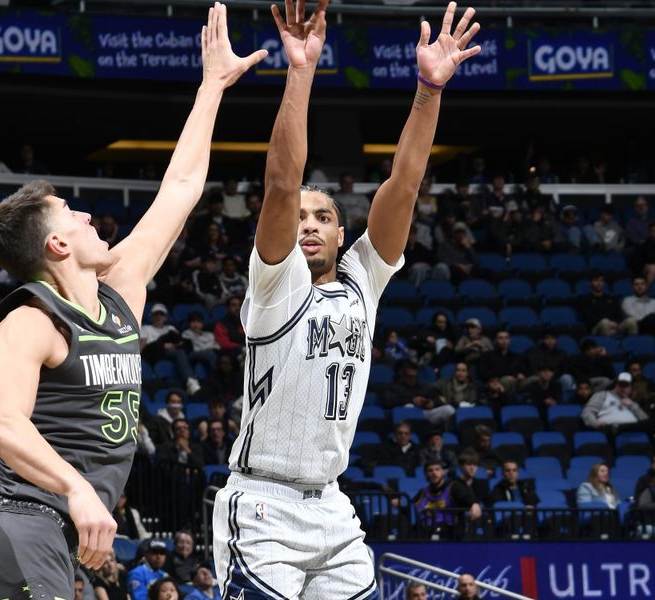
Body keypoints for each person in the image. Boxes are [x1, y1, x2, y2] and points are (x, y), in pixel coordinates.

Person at [0, 7, 265, 598]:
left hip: (50, 534)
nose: (85, 215)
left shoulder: (120, 291)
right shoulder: (31, 321)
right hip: (17, 524)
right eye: (71, 215)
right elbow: (1, 425)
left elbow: (179, 189)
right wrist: (77, 489)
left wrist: (212, 87)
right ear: (56, 245)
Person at [211, 2, 481, 598]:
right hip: (263, 505)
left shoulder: (364, 276)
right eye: (301, 217)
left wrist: (429, 89)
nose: (307, 223)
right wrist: (301, 72)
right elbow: (282, 182)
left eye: (323, 216)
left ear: (342, 234)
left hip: (332, 507)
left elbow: (404, 184)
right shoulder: (274, 284)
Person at [413, 459, 482, 537]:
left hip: (450, 530)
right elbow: (412, 506)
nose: (434, 473)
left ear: (443, 472)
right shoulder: (423, 492)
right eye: (430, 470)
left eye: (437, 469)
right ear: (426, 474)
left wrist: (474, 504)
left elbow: (466, 497)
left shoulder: (453, 487)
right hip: (427, 529)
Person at [580, 372, 655, 438]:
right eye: (620, 385)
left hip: (633, 431)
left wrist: (633, 406)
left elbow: (645, 420)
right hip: (610, 431)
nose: (623, 388)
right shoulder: (603, 394)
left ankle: (618, 428)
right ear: (616, 385)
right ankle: (616, 428)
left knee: (653, 423)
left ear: (631, 388)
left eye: (626, 385)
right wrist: (595, 423)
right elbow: (587, 411)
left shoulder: (632, 403)